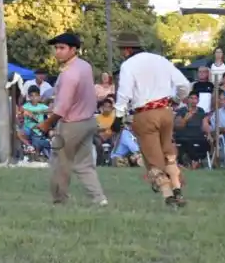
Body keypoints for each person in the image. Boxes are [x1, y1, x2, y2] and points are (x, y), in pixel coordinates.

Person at [114, 32, 190, 208]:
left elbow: (124, 93)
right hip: (166, 111)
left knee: (153, 159)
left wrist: (118, 116)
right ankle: (177, 187)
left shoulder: (128, 65)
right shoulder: (161, 60)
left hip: (145, 114)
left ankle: (169, 196)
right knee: (168, 153)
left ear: (126, 50)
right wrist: (177, 99)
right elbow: (184, 85)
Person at [38, 32, 107, 207]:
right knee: (84, 164)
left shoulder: (69, 74)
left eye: (62, 48)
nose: (57, 52)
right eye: (56, 48)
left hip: (71, 124)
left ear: (73, 49)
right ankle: (100, 199)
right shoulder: (85, 66)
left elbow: (63, 107)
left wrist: (47, 123)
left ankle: (59, 201)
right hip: (89, 121)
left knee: (60, 163)